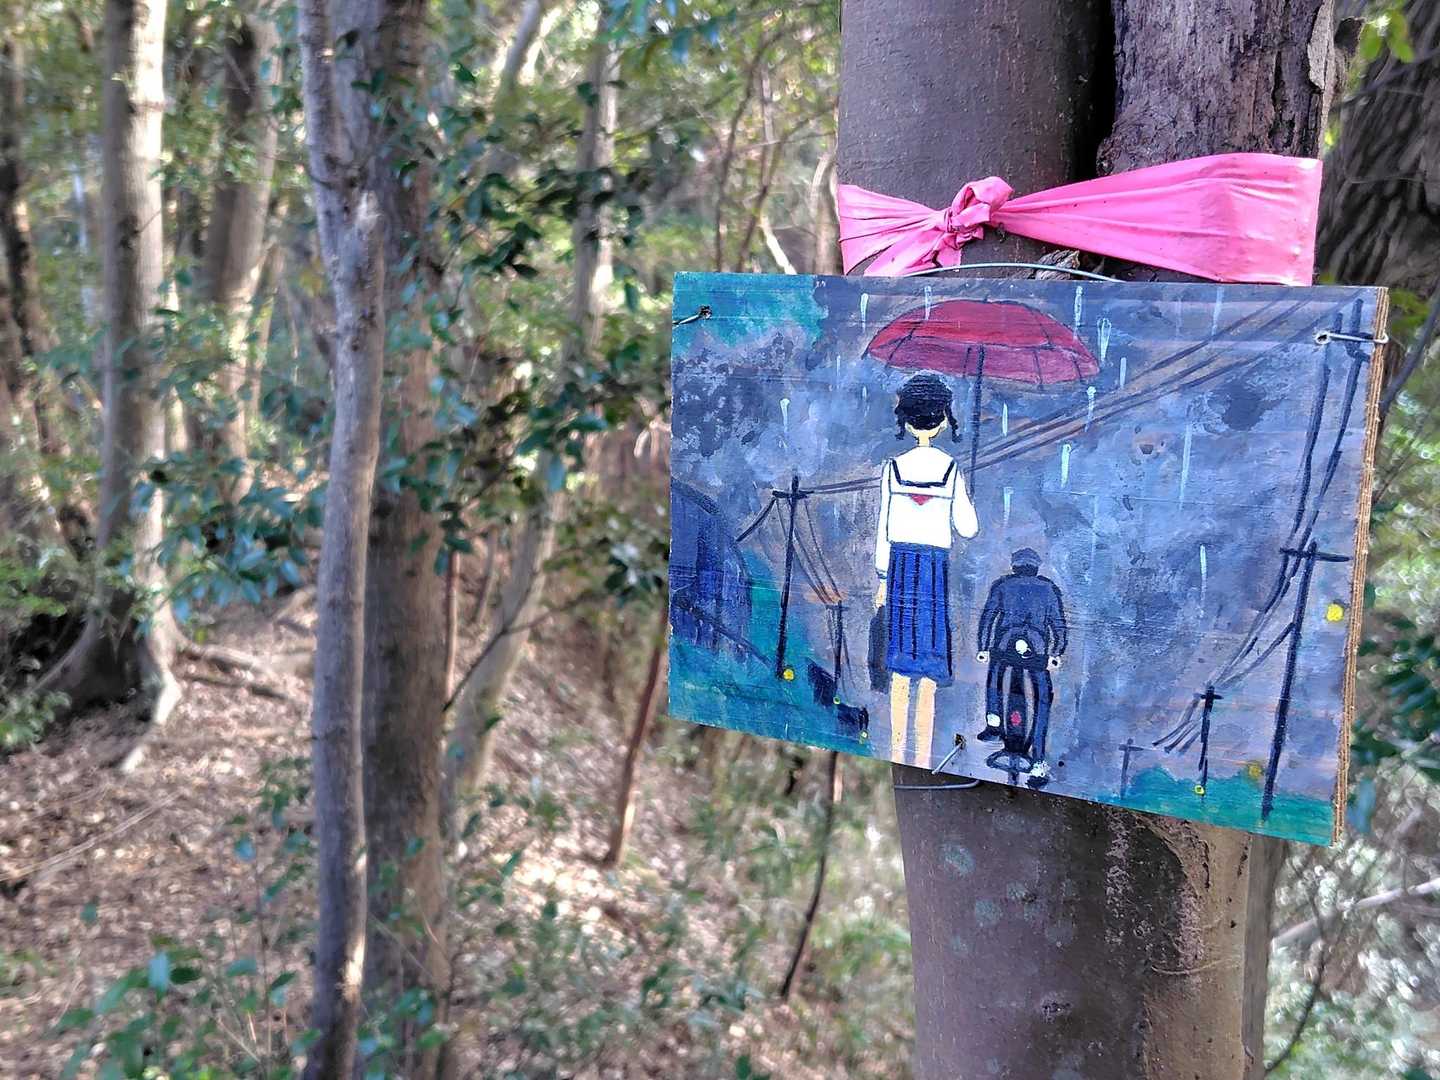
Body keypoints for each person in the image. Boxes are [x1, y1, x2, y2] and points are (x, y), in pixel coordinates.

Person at [873, 373, 979, 766]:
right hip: (933, 573)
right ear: (942, 420)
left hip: (900, 570)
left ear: (906, 419)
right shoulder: (951, 469)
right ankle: (921, 758)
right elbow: (969, 527)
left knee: (901, 671)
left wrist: (881, 578)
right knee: (929, 675)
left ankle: (897, 750)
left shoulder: (893, 468)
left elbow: (884, 529)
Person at [975, 547, 1067, 786]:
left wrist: (983, 648)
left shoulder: (1002, 585)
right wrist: (1056, 653)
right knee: (1042, 699)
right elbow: (1058, 624)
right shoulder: (1048, 589)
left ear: (1014, 566)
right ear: (1036, 567)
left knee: (994, 681)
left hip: (1004, 646)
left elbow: (988, 617)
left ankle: (993, 723)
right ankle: (1038, 759)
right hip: (1037, 650)